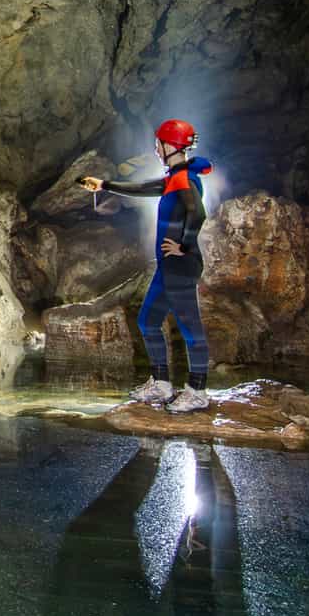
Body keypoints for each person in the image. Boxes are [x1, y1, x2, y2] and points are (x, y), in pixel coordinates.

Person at [79, 118, 215, 412]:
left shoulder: (184, 180)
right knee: (148, 320)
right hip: (168, 267)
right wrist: (104, 185)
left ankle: (197, 390)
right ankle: (162, 384)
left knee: (190, 329)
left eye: (159, 143)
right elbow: (144, 188)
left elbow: (198, 214)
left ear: (171, 146)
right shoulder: (175, 177)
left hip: (180, 266)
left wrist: (185, 246)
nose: (155, 148)